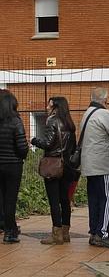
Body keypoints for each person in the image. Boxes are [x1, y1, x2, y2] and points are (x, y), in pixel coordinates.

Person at [31, 97, 77, 245]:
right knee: (65, 199)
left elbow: (48, 143)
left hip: (53, 165)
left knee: (53, 201)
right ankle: (65, 232)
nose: (46, 107)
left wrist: (34, 140)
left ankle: (56, 234)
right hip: (67, 166)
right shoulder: (69, 123)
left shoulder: (52, 121)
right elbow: (74, 147)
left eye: (49, 104)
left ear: (55, 106)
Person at [80, 88, 109, 248]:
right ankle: (103, 233)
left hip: (89, 164)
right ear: (105, 100)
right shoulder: (104, 114)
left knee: (94, 199)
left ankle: (94, 232)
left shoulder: (87, 113)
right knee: (108, 198)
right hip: (102, 165)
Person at [0, 90, 29, 243]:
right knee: (10, 199)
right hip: (13, 165)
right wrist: (22, 155)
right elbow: (22, 147)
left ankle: (4, 225)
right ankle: (10, 232)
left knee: (1, 198)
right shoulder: (15, 121)